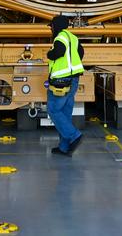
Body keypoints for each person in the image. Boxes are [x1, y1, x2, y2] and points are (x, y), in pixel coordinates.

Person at [46, 14, 85, 156]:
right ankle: (64, 147)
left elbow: (59, 52)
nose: (51, 29)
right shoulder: (73, 38)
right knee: (65, 113)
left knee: (53, 110)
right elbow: (81, 53)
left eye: (51, 26)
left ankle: (74, 135)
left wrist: (49, 54)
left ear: (56, 26)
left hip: (61, 81)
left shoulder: (60, 37)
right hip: (73, 79)